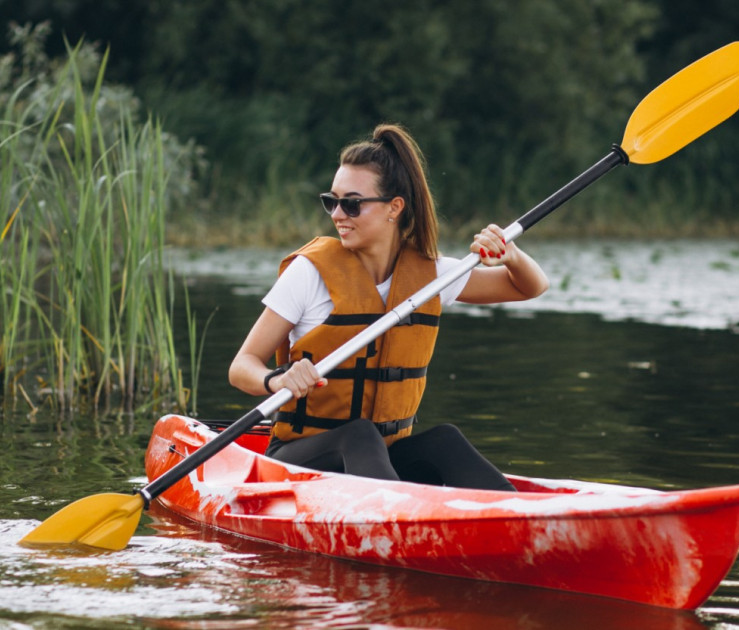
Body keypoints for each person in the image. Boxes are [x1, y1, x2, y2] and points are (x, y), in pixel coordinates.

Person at [229, 123, 548, 492]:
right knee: (359, 434)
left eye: (351, 203)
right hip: (299, 458)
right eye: (330, 201)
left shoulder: (431, 276)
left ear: (394, 208)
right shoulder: (309, 274)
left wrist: (511, 256)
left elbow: (530, 288)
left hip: (381, 459)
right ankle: (398, 520)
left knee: (444, 439)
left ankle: (517, 519)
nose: (337, 215)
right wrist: (278, 380)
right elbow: (241, 368)